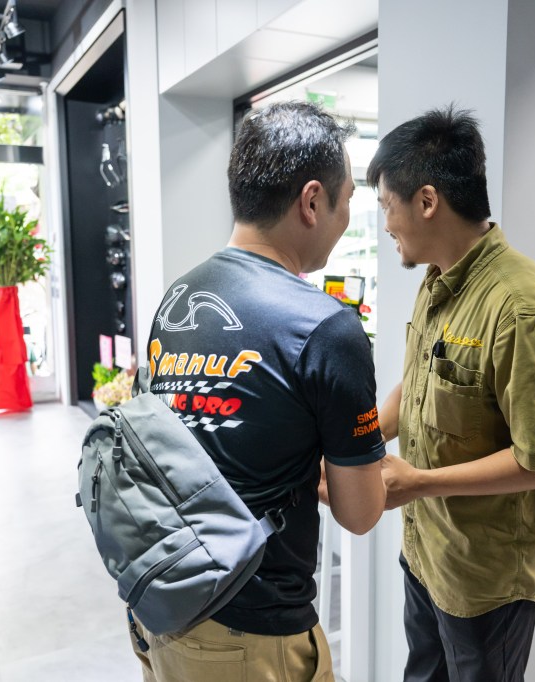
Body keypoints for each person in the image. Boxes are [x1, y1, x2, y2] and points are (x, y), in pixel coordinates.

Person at [135, 101, 387, 682]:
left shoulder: (177, 298)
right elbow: (359, 512)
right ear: (312, 201)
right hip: (251, 634)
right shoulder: (326, 327)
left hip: (162, 601)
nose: (347, 218)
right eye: (348, 200)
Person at [368, 106, 535, 682]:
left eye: (387, 206)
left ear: (427, 201)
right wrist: (359, 438)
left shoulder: (521, 306)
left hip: (485, 579)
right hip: (427, 550)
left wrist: (419, 483)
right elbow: (423, 380)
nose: (385, 224)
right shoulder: (437, 280)